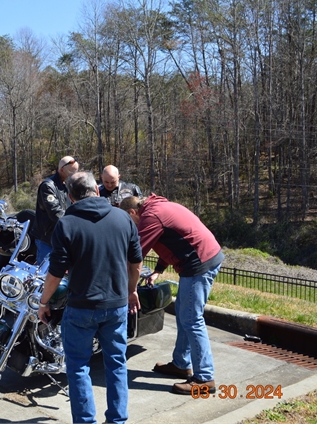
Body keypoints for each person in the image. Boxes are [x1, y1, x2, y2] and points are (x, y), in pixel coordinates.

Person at [38, 171, 143, 424]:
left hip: (81, 308)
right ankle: (117, 420)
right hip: (116, 306)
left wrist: (43, 303)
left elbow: (55, 272)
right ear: (97, 191)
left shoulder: (66, 224)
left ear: (71, 198)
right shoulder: (123, 218)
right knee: (117, 364)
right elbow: (136, 263)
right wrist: (130, 291)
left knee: (77, 367)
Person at [120, 194, 224, 395]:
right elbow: (173, 239)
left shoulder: (151, 216)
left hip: (198, 264)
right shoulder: (159, 208)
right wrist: (159, 268)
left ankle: (205, 379)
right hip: (204, 257)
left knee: (192, 319)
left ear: (132, 213)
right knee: (184, 314)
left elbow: (135, 255)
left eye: (128, 220)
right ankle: (181, 364)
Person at [30, 156, 79, 263]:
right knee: (45, 275)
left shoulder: (69, 185)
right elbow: (55, 213)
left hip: (63, 238)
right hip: (47, 239)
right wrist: (75, 223)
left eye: (76, 172)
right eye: (72, 172)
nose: (75, 175)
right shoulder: (48, 186)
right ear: (61, 170)